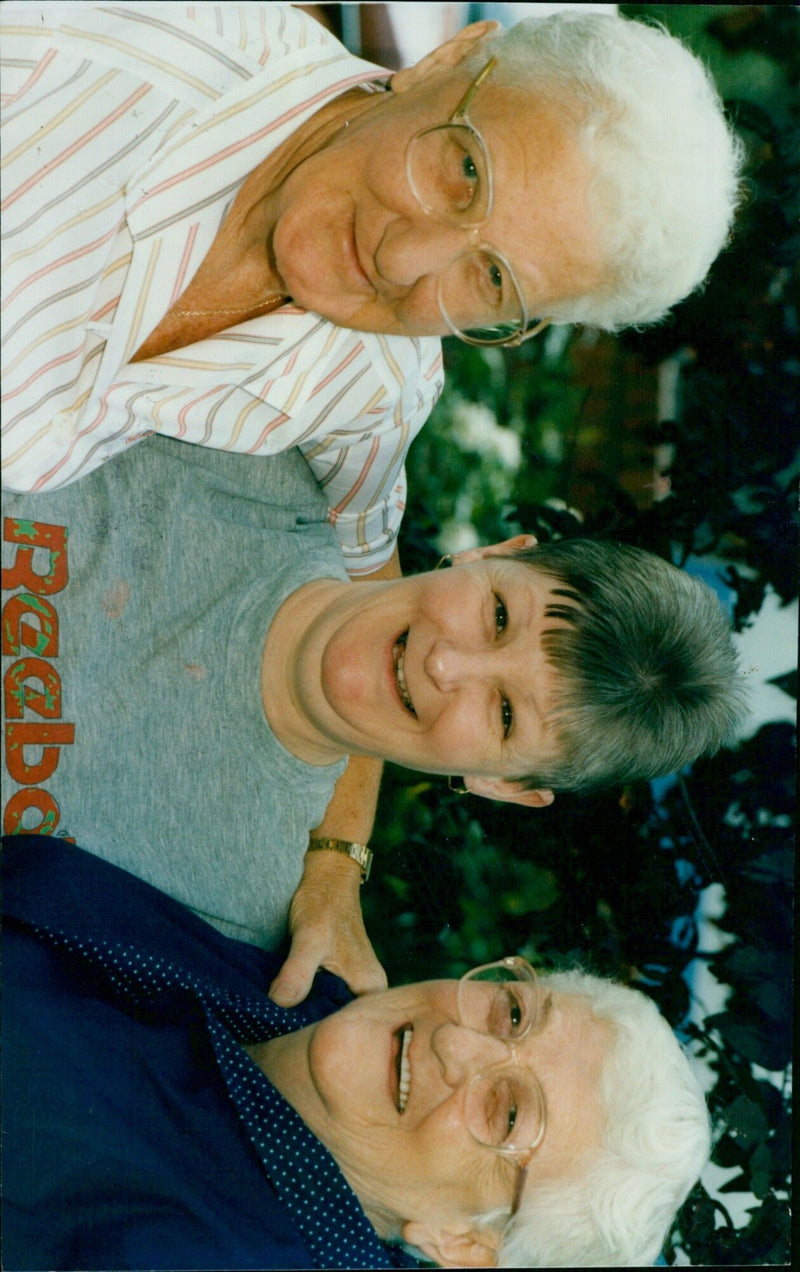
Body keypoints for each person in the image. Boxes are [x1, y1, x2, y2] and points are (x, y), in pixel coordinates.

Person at [2, 434, 745, 983]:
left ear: (502, 787)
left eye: (506, 716)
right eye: (495, 616)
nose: (447, 664)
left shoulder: (238, 921)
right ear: (494, 552)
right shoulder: (243, 446)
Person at [1, 2, 744, 508]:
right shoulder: (78, 51)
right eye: (465, 172)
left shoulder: (378, 387)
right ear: (447, 59)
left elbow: (363, 578)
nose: (403, 263)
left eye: (491, 279)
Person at [3, 834, 712, 1270]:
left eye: (504, 1112)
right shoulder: (305, 994)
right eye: (513, 1013)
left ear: (465, 1246)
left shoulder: (181, 1254)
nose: (454, 1040)